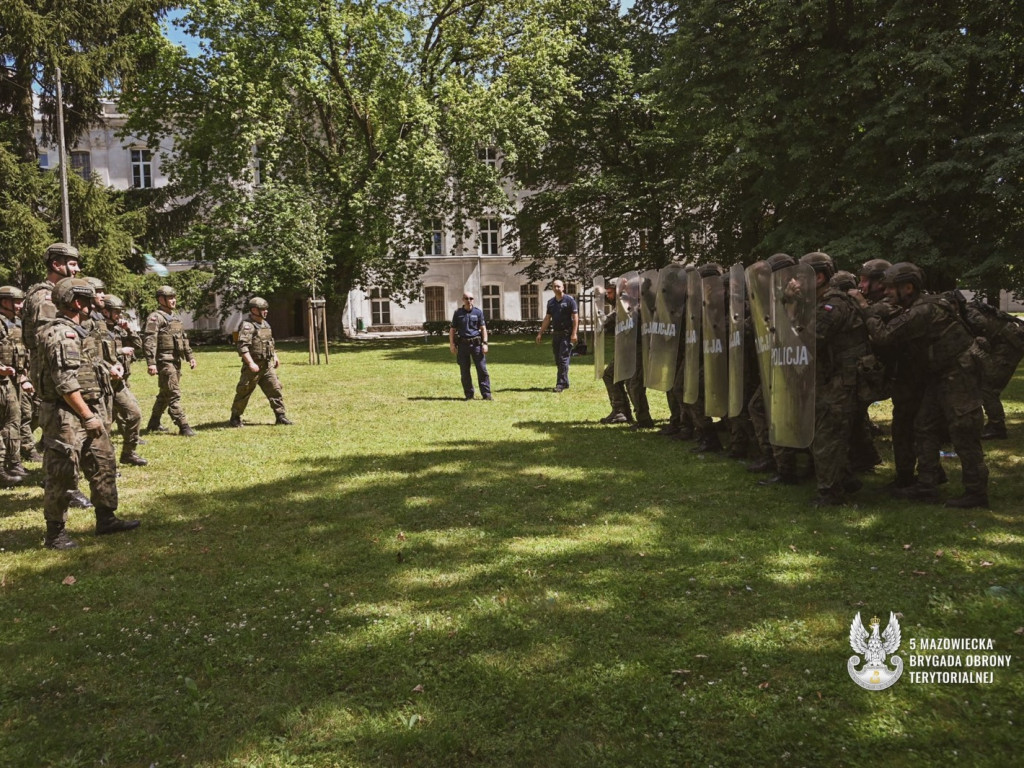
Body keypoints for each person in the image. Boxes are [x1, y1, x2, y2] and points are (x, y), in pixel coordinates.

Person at [858, 262, 989, 508]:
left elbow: (884, 336)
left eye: (891, 288)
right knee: (924, 426)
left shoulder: (923, 311)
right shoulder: (919, 306)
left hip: (958, 374)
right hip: (940, 375)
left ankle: (976, 491)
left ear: (908, 288)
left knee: (964, 432)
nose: (886, 293)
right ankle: (927, 485)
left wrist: (870, 312)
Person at [36, 278, 139, 549]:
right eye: (89, 300)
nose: (94, 305)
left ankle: (106, 519)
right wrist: (87, 416)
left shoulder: (81, 332)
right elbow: (65, 382)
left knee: (103, 462)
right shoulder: (61, 334)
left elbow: (90, 368)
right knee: (63, 473)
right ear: (76, 302)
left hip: (88, 409)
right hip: (66, 414)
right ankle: (55, 534)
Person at [802, 252, 869, 506]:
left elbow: (814, 338)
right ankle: (846, 478)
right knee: (826, 431)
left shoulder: (833, 304)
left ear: (818, 277)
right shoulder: (822, 301)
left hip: (843, 379)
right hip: (833, 377)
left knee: (826, 435)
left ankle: (830, 493)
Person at [144, 285, 197, 436]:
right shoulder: (155, 318)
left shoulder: (175, 318)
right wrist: (151, 363)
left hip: (176, 361)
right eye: (170, 298)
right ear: (161, 300)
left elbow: (183, 340)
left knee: (164, 393)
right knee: (173, 393)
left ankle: (154, 423)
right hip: (164, 361)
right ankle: (184, 426)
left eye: (174, 297)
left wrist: (190, 357)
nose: (173, 301)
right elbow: (150, 341)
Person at [230, 297, 292, 425]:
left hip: (267, 366)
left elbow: (270, 342)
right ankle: (235, 417)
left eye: (266, 309)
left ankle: (280, 416)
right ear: (254, 310)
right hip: (253, 367)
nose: (266, 312)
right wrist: (251, 363)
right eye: (263, 309)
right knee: (244, 392)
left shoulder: (265, 324)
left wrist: (275, 356)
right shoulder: (247, 326)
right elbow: (242, 346)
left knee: (275, 390)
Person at [101, 294, 147, 465]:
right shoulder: (96, 329)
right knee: (104, 425)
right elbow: (94, 355)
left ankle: (129, 453)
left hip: (118, 382)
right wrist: (120, 353)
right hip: (102, 383)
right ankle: (104, 464)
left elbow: (139, 345)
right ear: (105, 311)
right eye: (116, 312)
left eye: (120, 312)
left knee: (134, 414)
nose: (119, 315)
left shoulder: (119, 329)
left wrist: (129, 330)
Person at [0, 286, 29, 484]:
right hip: (2, 379)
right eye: (16, 302)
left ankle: (13, 461)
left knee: (16, 418)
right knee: (9, 419)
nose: (20, 306)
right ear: (4, 302)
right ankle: (5, 465)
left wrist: (24, 376)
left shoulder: (15, 323)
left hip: (14, 379)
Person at [535, 279, 578, 392]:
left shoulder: (569, 300)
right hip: (556, 334)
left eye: (558, 286)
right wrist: (540, 333)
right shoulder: (551, 302)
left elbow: (575, 318)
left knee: (563, 358)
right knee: (558, 360)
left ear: (563, 288)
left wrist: (574, 333)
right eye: (554, 286)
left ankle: (560, 384)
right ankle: (565, 382)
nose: (556, 288)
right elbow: (547, 318)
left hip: (566, 334)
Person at [448, 291, 492, 401]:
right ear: (463, 300)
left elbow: (483, 329)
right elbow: (452, 329)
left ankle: (486, 394)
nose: (469, 301)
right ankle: (469, 395)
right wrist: (452, 344)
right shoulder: (458, 313)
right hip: (463, 345)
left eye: (471, 298)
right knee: (464, 371)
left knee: (482, 370)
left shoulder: (478, 312)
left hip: (476, 345)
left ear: (473, 300)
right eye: (466, 298)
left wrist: (485, 343)